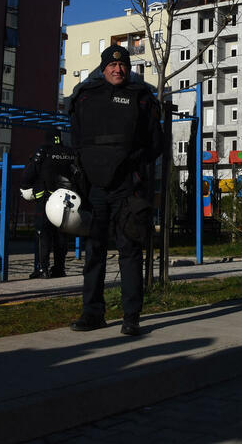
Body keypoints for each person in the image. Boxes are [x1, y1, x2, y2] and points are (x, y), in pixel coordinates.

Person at [68, 45, 162, 335]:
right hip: (95, 188)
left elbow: (155, 143)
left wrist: (134, 168)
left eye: (122, 65)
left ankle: (131, 316)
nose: (117, 69)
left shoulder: (142, 98)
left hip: (127, 187)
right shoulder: (84, 96)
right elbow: (75, 140)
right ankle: (92, 313)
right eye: (112, 65)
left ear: (128, 68)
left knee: (129, 250)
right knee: (94, 251)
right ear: (104, 66)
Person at [20, 129, 77, 279]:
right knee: (61, 234)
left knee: (43, 233)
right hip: (67, 201)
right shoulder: (70, 152)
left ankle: (42, 269)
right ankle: (59, 268)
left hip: (46, 199)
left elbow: (28, 174)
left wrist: (25, 187)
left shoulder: (43, 151)